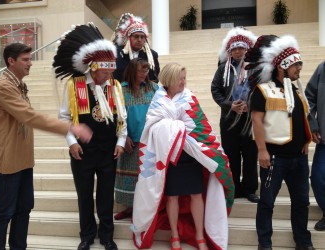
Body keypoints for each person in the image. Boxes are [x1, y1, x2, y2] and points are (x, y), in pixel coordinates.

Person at [0, 42, 92, 250]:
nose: (31, 64)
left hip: (23, 160)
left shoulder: (17, 84)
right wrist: (69, 127)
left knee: (24, 208)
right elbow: (29, 117)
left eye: (30, 59)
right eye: (25, 60)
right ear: (11, 61)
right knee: (3, 213)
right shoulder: (3, 86)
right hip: (6, 162)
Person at [131, 63, 234, 250]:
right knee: (172, 197)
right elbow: (152, 128)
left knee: (196, 194)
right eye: (181, 78)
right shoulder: (158, 100)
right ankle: (175, 235)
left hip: (191, 156)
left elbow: (200, 127)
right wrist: (176, 128)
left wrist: (175, 127)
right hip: (170, 157)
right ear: (170, 79)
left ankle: (200, 235)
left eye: (185, 78)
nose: (184, 82)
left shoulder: (189, 97)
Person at [54, 23, 127, 250]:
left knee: (105, 196)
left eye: (110, 71)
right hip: (82, 152)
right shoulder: (75, 86)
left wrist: (122, 142)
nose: (109, 75)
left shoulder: (114, 86)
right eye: (105, 72)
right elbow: (64, 117)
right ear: (93, 68)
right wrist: (72, 143)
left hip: (108, 150)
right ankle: (86, 235)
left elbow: (122, 118)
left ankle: (106, 236)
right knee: (84, 196)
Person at [246, 35, 315, 250]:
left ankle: (303, 241)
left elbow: (301, 117)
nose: (299, 69)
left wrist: (306, 139)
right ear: (283, 66)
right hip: (274, 158)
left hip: (299, 158)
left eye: (300, 65)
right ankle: (264, 244)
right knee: (267, 202)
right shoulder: (263, 90)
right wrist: (262, 150)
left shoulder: (296, 90)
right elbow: (256, 120)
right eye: (296, 65)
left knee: (302, 202)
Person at [211, 27, 259, 203]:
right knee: (231, 155)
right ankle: (234, 188)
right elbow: (215, 89)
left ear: (247, 49)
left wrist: (250, 105)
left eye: (242, 48)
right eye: (235, 48)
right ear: (229, 50)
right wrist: (229, 105)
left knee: (250, 154)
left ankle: (250, 188)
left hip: (249, 121)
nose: (238, 51)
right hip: (229, 120)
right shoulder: (223, 69)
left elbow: (262, 92)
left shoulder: (255, 69)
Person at [114, 58, 158, 220]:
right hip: (130, 141)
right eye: (141, 71)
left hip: (150, 141)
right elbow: (116, 116)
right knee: (130, 176)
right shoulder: (121, 90)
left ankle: (144, 210)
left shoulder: (154, 88)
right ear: (132, 71)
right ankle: (130, 208)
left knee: (147, 176)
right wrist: (123, 138)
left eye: (146, 70)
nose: (144, 74)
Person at [305, 61, 325, 231]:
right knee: (318, 178)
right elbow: (308, 98)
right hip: (324, 141)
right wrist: (313, 125)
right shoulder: (322, 69)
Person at [111, 13, 160, 83]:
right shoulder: (117, 53)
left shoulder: (152, 55)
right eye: (136, 36)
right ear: (129, 38)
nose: (139, 39)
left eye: (142, 37)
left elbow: (155, 77)